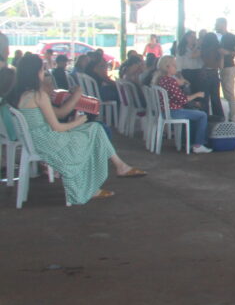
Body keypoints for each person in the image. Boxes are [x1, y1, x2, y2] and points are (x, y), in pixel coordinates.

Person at [4, 54, 145, 203]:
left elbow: (58, 113)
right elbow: (57, 126)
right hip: (50, 142)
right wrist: (78, 122)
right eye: (42, 70)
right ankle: (110, 174)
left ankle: (118, 168)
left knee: (95, 129)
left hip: (37, 140)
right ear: (35, 73)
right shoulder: (39, 95)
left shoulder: (21, 95)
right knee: (94, 131)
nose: (44, 73)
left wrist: (74, 97)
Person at [155, 56, 213, 154]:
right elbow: (183, 100)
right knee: (202, 115)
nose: (176, 67)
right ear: (167, 67)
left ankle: (190, 142)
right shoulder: (171, 81)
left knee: (195, 115)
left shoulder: (161, 80)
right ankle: (198, 144)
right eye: (174, 65)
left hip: (166, 111)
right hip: (174, 111)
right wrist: (197, 95)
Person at [214, 18, 235, 122]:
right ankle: (232, 116)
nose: (215, 26)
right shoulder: (218, 37)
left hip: (229, 67)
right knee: (227, 94)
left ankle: (234, 118)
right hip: (221, 68)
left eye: (217, 24)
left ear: (223, 24)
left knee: (229, 94)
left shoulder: (231, 37)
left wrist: (227, 53)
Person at [198, 31, 225, 121]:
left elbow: (193, 56)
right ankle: (219, 118)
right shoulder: (218, 50)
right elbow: (221, 66)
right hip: (214, 74)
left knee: (204, 99)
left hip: (204, 74)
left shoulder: (203, 49)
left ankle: (204, 118)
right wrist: (222, 56)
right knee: (215, 98)